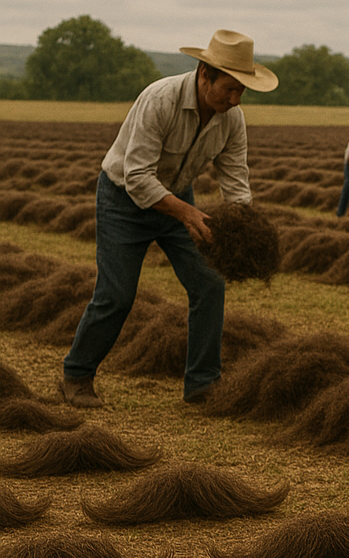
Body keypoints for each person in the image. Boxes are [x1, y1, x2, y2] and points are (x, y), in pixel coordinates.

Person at [59, 29, 278, 408]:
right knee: (116, 295)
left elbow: (235, 182)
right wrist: (189, 213)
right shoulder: (160, 100)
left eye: (242, 91)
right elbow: (138, 178)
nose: (235, 98)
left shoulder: (231, 120)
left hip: (178, 199)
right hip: (123, 201)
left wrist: (244, 226)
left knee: (209, 285)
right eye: (229, 88)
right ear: (204, 73)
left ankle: (202, 385)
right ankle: (75, 377)